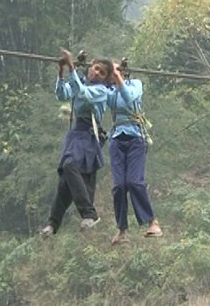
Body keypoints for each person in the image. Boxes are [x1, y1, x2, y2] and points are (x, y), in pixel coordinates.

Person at [40, 49, 113, 237]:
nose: (96, 73)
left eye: (102, 72)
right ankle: (53, 223)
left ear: (106, 79)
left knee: (70, 165)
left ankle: (89, 214)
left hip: (88, 135)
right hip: (75, 134)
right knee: (65, 180)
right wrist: (62, 71)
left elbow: (83, 94)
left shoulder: (101, 91)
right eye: (95, 68)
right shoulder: (80, 82)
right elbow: (62, 94)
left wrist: (72, 67)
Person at [107, 64, 162, 245]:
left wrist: (118, 78)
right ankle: (121, 230)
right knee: (119, 186)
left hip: (135, 138)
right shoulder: (109, 92)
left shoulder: (135, 85)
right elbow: (91, 96)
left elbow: (130, 99)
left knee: (134, 181)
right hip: (117, 140)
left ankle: (152, 222)